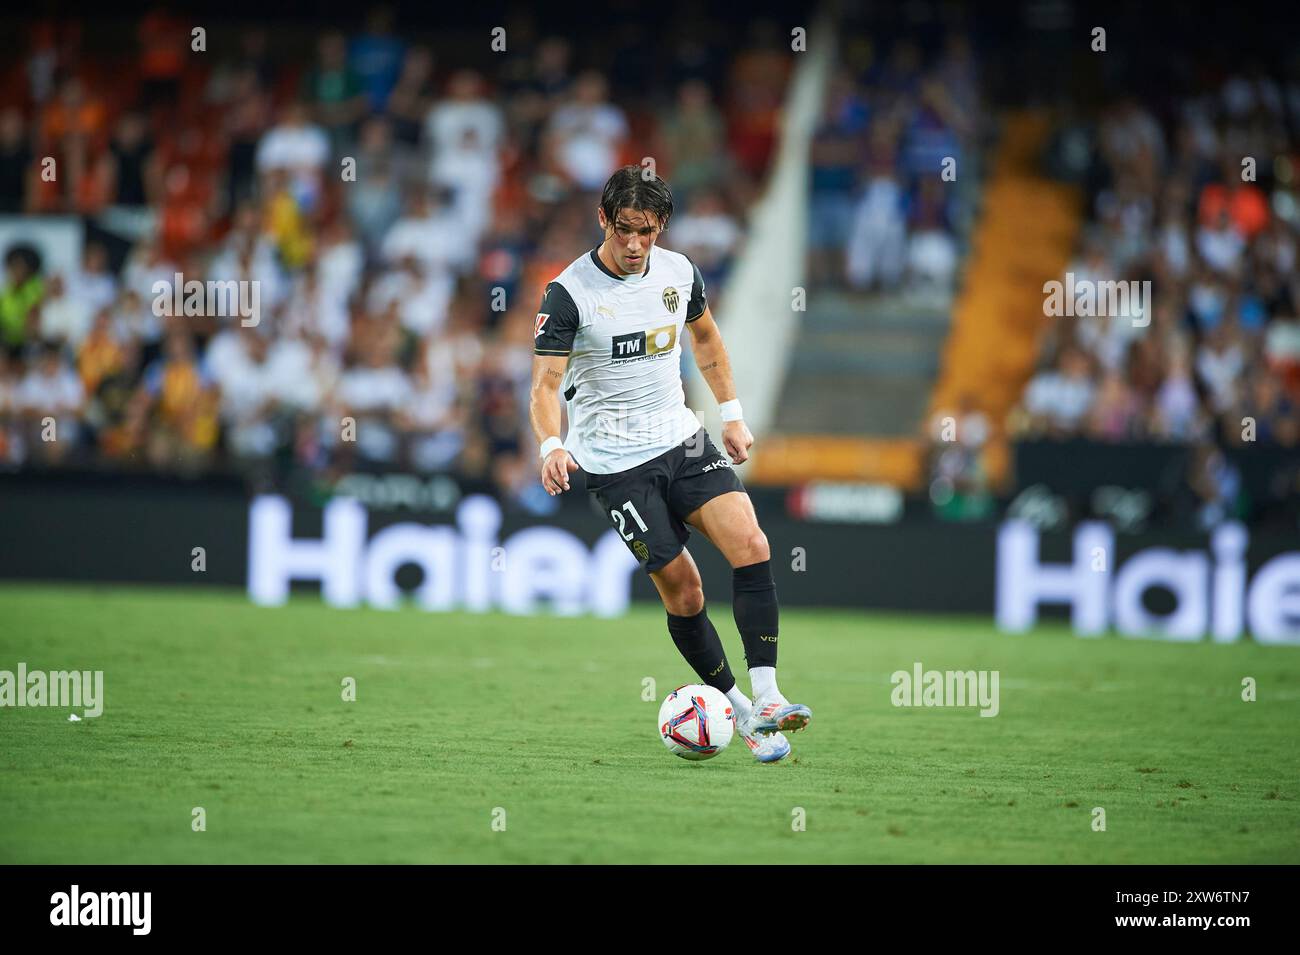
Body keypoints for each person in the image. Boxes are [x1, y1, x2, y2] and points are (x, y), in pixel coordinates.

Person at [527, 166, 811, 763]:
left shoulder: (679, 272)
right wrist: (553, 446)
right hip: (615, 464)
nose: (636, 245)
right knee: (684, 591)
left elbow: (705, 340)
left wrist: (731, 413)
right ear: (604, 220)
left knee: (752, 543)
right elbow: (545, 385)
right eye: (625, 230)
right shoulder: (570, 292)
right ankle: (736, 708)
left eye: (648, 232)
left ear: (662, 228)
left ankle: (768, 696)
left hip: (682, 440)